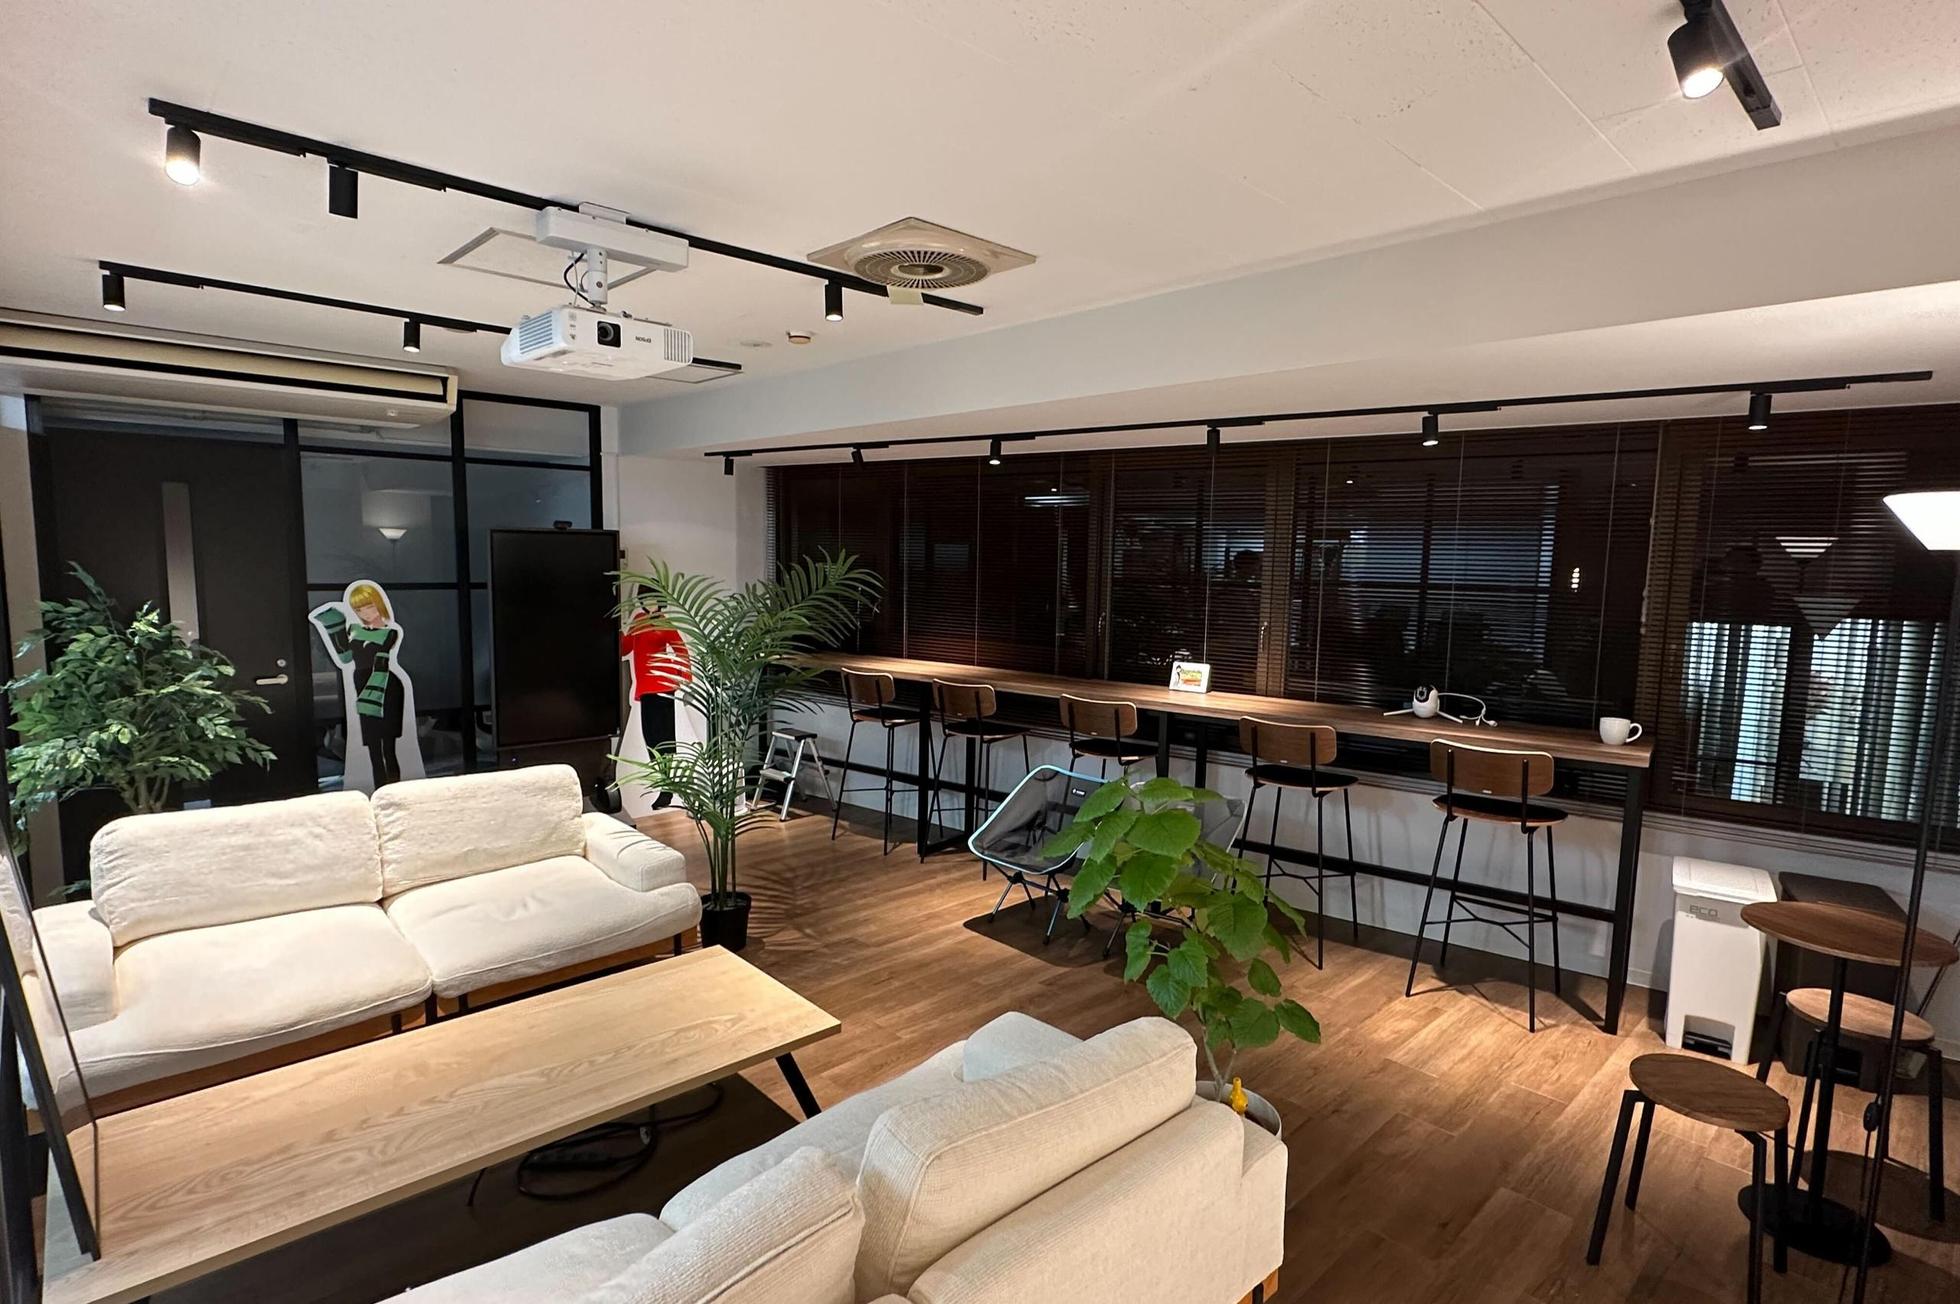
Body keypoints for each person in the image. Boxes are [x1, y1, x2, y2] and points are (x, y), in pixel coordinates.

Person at [311, 582, 409, 787]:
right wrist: (334, 625)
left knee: (388, 747)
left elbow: (381, 660)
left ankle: (395, 791)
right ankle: (380, 791)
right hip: (363, 685)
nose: (365, 613)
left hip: (386, 686)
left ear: (379, 604)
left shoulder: (391, 632)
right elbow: (345, 657)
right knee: (373, 747)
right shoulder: (354, 630)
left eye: (369, 606)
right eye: (359, 609)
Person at [621, 599, 691, 809]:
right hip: (646, 688)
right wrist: (620, 631)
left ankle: (667, 789)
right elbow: (625, 648)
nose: (649, 603)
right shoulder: (638, 620)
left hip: (662, 686)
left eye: (652, 598)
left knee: (664, 739)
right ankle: (665, 784)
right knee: (651, 739)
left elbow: (681, 649)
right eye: (645, 599)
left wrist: (684, 677)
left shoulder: (664, 622)